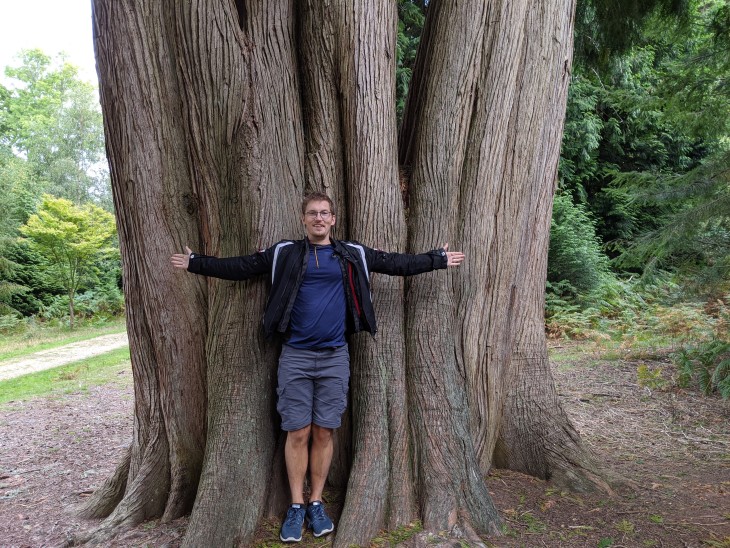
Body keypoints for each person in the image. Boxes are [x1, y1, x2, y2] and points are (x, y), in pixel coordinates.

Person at [170, 192, 465, 542]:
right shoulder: (285, 252)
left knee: (325, 431)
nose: (319, 219)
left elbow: (395, 263)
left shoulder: (352, 253)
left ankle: (315, 501)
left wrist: (436, 259)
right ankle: (295, 506)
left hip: (335, 357)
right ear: (304, 219)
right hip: (294, 356)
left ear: (334, 219)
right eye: (313, 213)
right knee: (297, 431)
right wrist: (197, 263)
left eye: (325, 213)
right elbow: (243, 266)